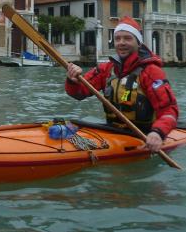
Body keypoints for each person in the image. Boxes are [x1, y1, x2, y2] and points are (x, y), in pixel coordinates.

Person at [65, 16, 178, 153]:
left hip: (143, 135)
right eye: (117, 38)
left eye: (127, 38)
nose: (121, 42)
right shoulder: (106, 69)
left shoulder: (151, 72)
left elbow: (169, 111)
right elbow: (79, 93)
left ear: (139, 43)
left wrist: (158, 133)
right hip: (111, 131)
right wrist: (72, 80)